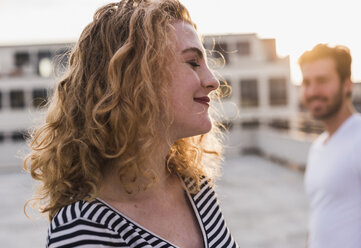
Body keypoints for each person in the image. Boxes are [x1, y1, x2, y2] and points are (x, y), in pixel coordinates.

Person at [24, 0, 239, 247]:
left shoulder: (195, 187)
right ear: (135, 78)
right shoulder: (83, 230)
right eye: (193, 63)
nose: (213, 81)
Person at [299, 43, 361, 248]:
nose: (312, 91)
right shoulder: (318, 146)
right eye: (306, 82)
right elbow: (319, 217)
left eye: (322, 80)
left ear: (347, 84)